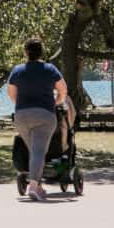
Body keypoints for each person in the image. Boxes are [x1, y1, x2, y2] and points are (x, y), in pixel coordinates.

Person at [7, 37, 68, 201]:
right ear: (42, 51)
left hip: (21, 116)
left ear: (26, 52)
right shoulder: (50, 69)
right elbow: (63, 91)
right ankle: (34, 186)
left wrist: (22, 105)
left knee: (34, 151)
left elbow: (11, 94)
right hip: (44, 116)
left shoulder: (17, 70)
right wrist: (55, 103)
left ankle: (38, 185)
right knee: (38, 151)